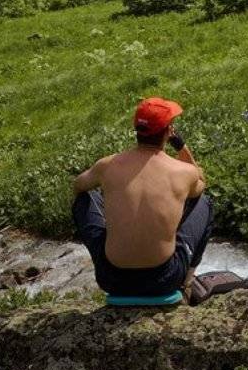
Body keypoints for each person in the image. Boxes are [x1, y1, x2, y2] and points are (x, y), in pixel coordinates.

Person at [72, 96, 214, 304]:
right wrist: (181, 147)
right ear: (168, 131)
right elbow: (200, 184)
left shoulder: (108, 165)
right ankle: (186, 284)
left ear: (136, 130)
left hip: (112, 279)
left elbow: (78, 186)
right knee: (205, 203)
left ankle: (111, 254)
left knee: (85, 199)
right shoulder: (183, 172)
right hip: (164, 279)